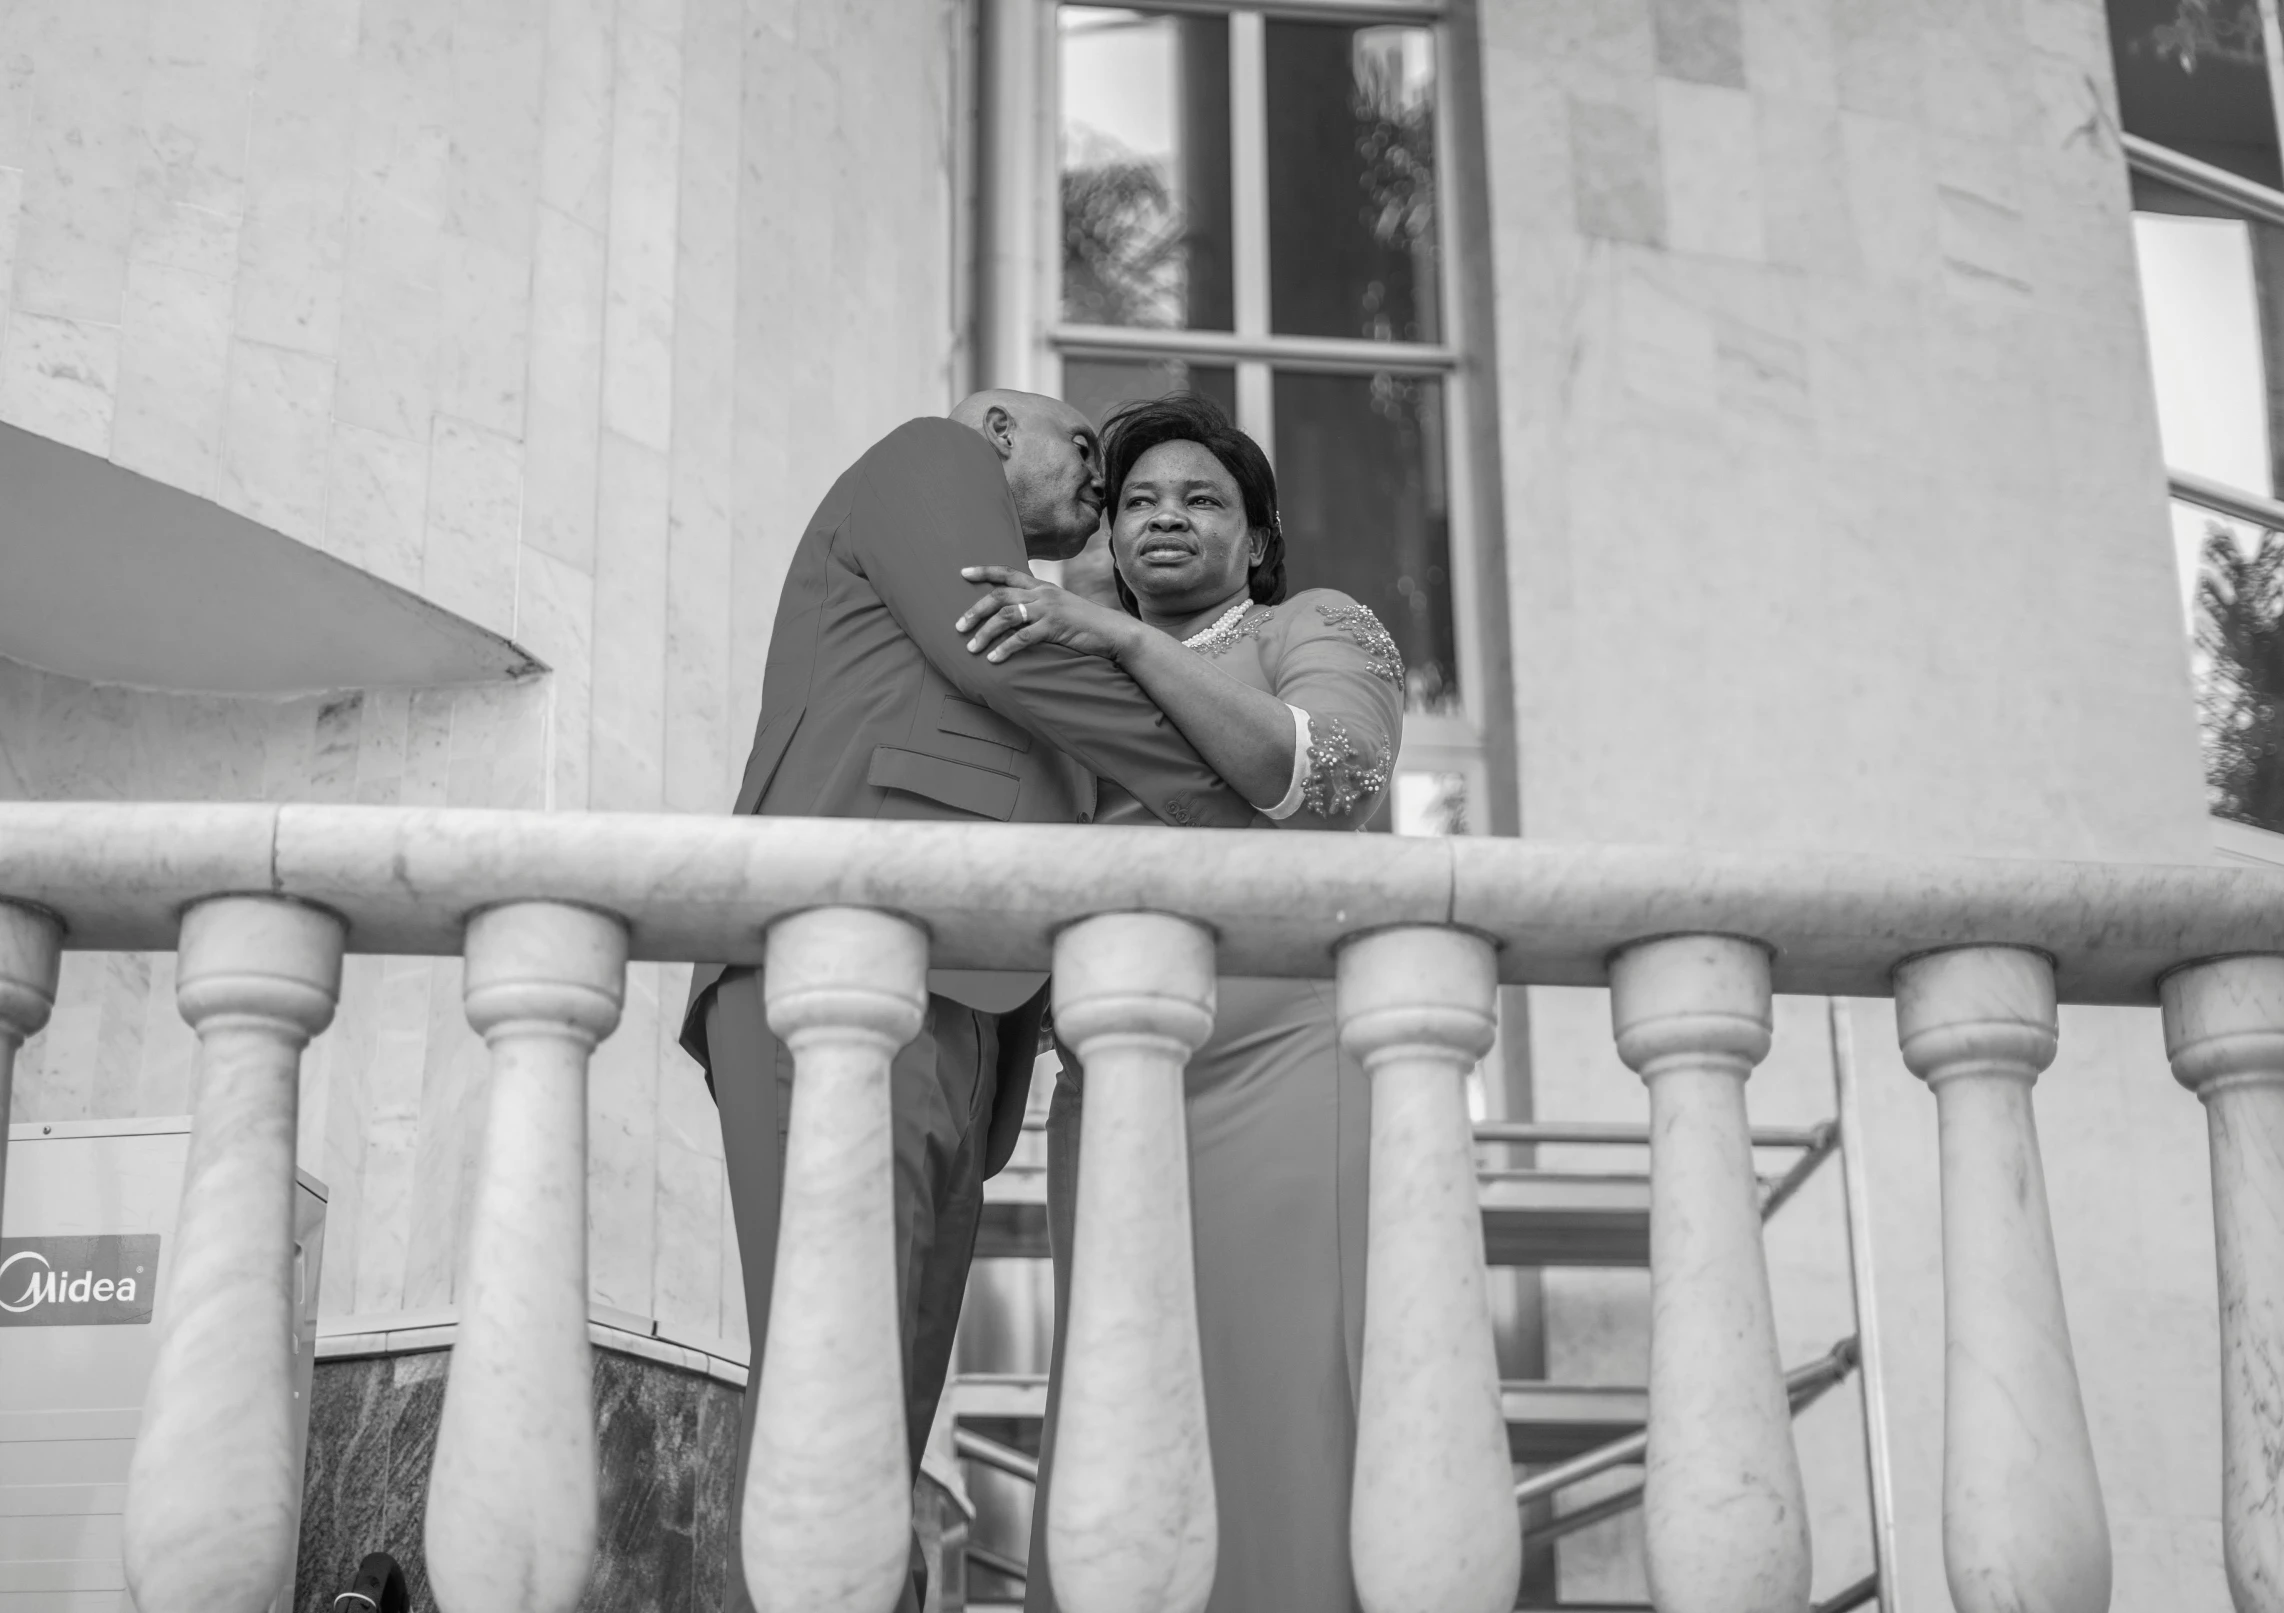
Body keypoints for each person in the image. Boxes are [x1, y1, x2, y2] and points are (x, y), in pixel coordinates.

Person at [679, 390, 1276, 1613]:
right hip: (842, 975)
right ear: (1002, 428)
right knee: (829, 1378)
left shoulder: (1062, 605)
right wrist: (1226, 795)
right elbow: (981, 642)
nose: (1103, 501)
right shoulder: (931, 456)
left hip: (964, 1004)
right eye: (1088, 465)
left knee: (884, 1403)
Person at [955, 391, 1404, 1613]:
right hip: (1113, 1073)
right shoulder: (1056, 658)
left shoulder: (1312, 621)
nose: (1165, 516)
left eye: (1201, 499)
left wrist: (1132, 644)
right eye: (1139, 498)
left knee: (1284, 1378)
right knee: (1120, 1388)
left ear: (1256, 539)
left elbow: (1331, 782)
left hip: (1288, 1065)